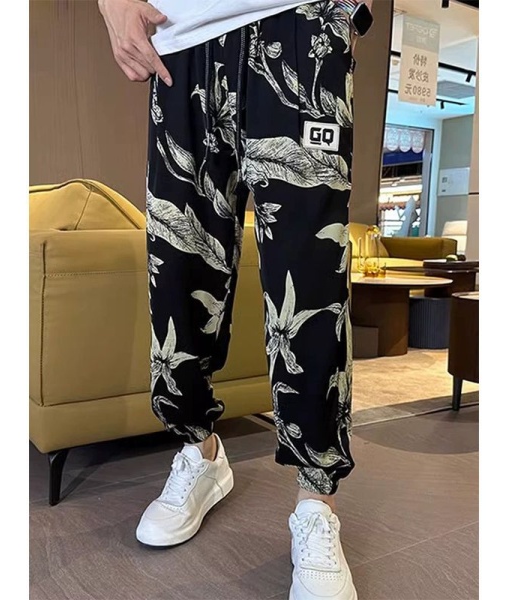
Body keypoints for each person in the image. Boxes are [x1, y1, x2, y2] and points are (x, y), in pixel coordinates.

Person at [98, 1, 373, 598]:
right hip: (180, 45)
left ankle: (316, 502)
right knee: (178, 270)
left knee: (310, 280)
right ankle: (200, 452)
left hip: (300, 23)